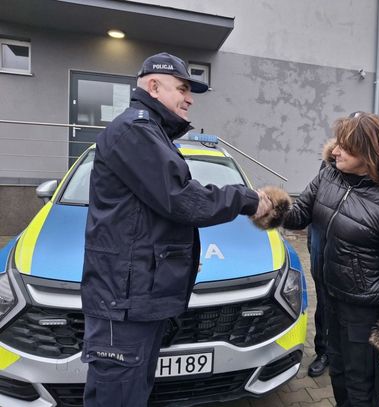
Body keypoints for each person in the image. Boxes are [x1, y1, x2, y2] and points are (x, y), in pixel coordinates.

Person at [80, 52, 280, 407]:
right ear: (154, 87)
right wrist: (249, 199)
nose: (190, 99)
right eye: (183, 89)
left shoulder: (149, 133)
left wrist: (182, 257)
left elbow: (149, 216)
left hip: (135, 298)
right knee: (119, 396)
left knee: (132, 393)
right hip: (124, 304)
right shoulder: (135, 131)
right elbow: (182, 200)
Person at [282, 112, 379, 406]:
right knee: (338, 374)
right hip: (331, 299)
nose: (335, 151)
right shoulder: (329, 175)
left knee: (360, 388)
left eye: (345, 147)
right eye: (337, 143)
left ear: (367, 153)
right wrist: (264, 205)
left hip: (364, 313)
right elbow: (298, 215)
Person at [306, 159, 330, 377]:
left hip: (357, 269)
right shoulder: (328, 168)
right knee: (324, 307)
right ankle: (323, 352)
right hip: (323, 258)